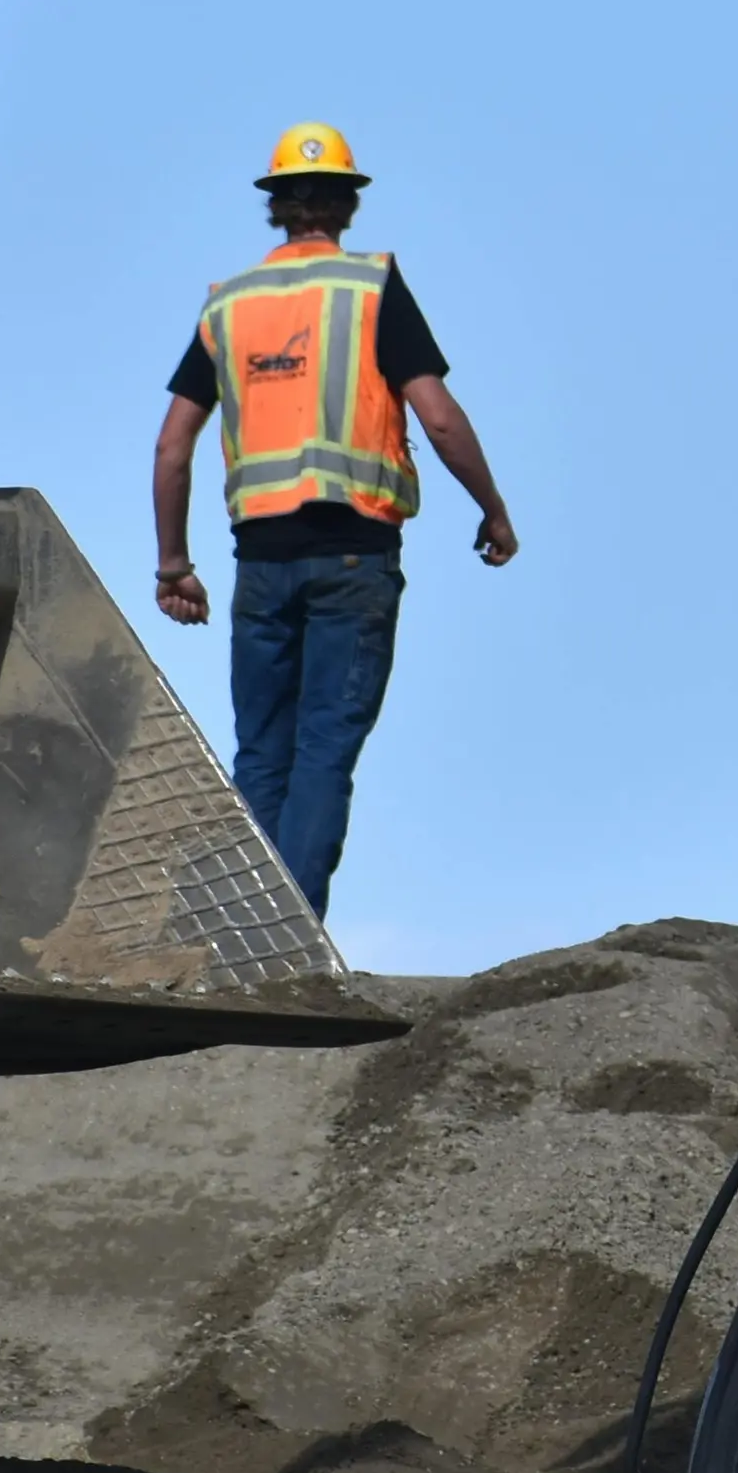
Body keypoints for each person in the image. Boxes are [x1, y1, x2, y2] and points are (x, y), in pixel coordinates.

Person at [152, 123, 515, 915]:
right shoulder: (370, 288)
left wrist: (173, 564)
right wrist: (492, 509)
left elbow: (172, 445)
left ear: (276, 207)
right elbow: (440, 419)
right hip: (354, 557)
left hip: (259, 562)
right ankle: (293, 940)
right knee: (323, 751)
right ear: (348, 204)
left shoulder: (231, 305)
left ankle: (244, 941)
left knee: (261, 755)